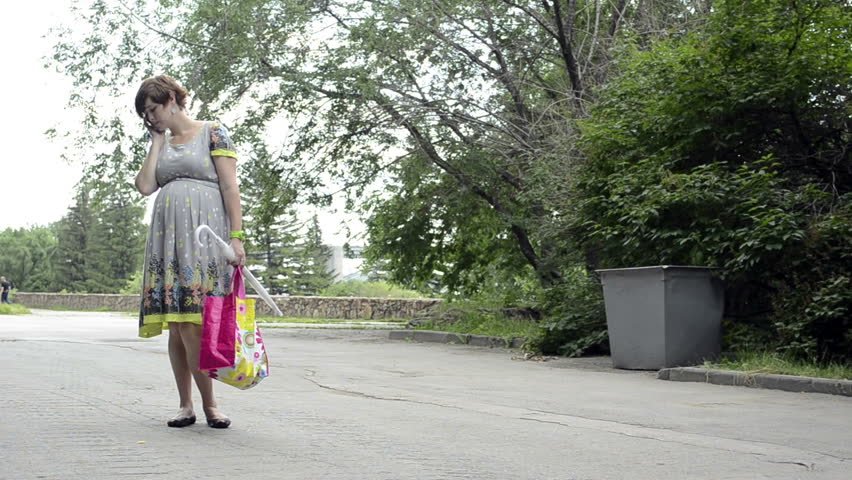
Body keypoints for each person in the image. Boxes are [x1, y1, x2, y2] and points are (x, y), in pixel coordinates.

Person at [134, 75, 247, 429]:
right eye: (146, 115)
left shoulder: (213, 132)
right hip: (168, 242)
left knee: (195, 322)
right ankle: (186, 405)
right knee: (177, 325)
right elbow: (145, 186)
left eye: (153, 110)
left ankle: (210, 404)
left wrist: (237, 237)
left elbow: (229, 186)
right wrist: (156, 143)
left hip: (204, 240)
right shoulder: (162, 143)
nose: (151, 118)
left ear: (171, 99)